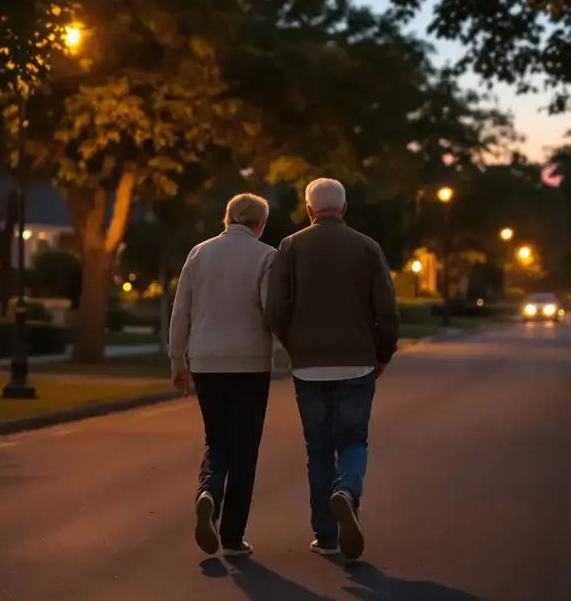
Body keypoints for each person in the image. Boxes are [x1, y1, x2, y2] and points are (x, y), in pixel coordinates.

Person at [264, 177, 399, 561]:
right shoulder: (367, 247)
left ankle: (325, 535)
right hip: (357, 362)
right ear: (344, 208)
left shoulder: (290, 247)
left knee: (319, 449)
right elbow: (387, 311)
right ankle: (347, 490)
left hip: (309, 367)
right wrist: (383, 353)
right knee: (353, 440)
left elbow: (275, 309)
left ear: (309, 210)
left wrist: (296, 344)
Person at [169, 193, 276, 558]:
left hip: (206, 361)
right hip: (250, 364)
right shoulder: (266, 256)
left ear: (226, 219)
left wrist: (177, 360)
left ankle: (208, 492)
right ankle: (232, 537)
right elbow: (271, 310)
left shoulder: (199, 253)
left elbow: (181, 309)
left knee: (217, 440)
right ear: (260, 224)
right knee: (245, 448)